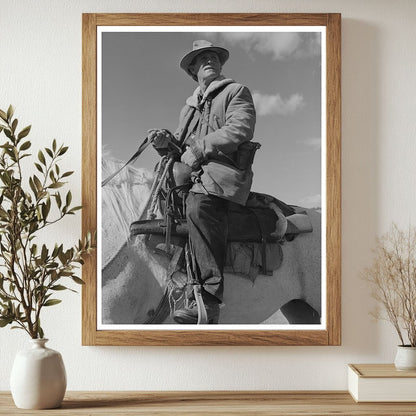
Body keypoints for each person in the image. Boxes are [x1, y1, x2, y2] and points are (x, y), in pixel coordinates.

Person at [147, 40, 256, 324]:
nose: (209, 60)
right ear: (193, 69)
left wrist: (199, 149)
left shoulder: (235, 91)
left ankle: (208, 297)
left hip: (221, 174)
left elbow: (240, 129)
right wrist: (164, 143)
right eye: (202, 58)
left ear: (220, 65)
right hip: (191, 176)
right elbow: (180, 149)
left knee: (198, 206)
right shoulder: (189, 108)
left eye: (214, 56)